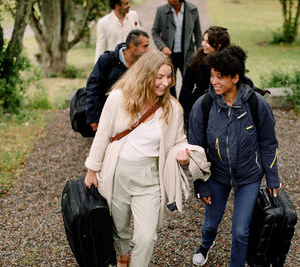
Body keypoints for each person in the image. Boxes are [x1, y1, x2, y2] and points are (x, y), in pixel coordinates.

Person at [84, 50, 209, 267]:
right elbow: (103, 135)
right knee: (119, 230)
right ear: (144, 75)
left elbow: (179, 140)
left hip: (150, 179)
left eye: (168, 77)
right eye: (159, 77)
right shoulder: (118, 98)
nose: (164, 82)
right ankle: (122, 257)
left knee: (146, 237)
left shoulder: (173, 109)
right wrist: (92, 170)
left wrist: (184, 154)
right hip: (117, 174)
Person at [187, 45, 281, 267]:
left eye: (220, 77)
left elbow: (268, 144)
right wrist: (201, 185)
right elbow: (196, 149)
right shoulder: (204, 105)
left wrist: (273, 177)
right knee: (210, 224)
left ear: (235, 78)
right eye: (212, 76)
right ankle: (205, 246)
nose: (214, 82)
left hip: (249, 176)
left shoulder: (257, 105)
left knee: (240, 232)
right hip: (217, 176)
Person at [85, 29, 149, 132]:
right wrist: (93, 117)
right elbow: (93, 88)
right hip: (107, 116)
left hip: (132, 119)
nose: (148, 50)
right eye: (145, 46)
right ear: (133, 47)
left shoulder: (143, 65)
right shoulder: (107, 60)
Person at [178, 26, 230, 128]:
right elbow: (186, 87)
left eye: (208, 42)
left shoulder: (229, 61)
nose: (203, 44)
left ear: (219, 45)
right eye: (203, 40)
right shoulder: (197, 59)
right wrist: (182, 112)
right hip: (200, 103)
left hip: (222, 106)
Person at [151, 0, 202, 98]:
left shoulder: (193, 10)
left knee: (188, 84)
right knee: (168, 84)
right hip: (168, 55)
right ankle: (170, 106)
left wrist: (199, 53)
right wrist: (163, 47)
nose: (168, 0)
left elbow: (198, 33)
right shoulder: (161, 10)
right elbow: (155, 32)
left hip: (187, 54)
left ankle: (185, 110)